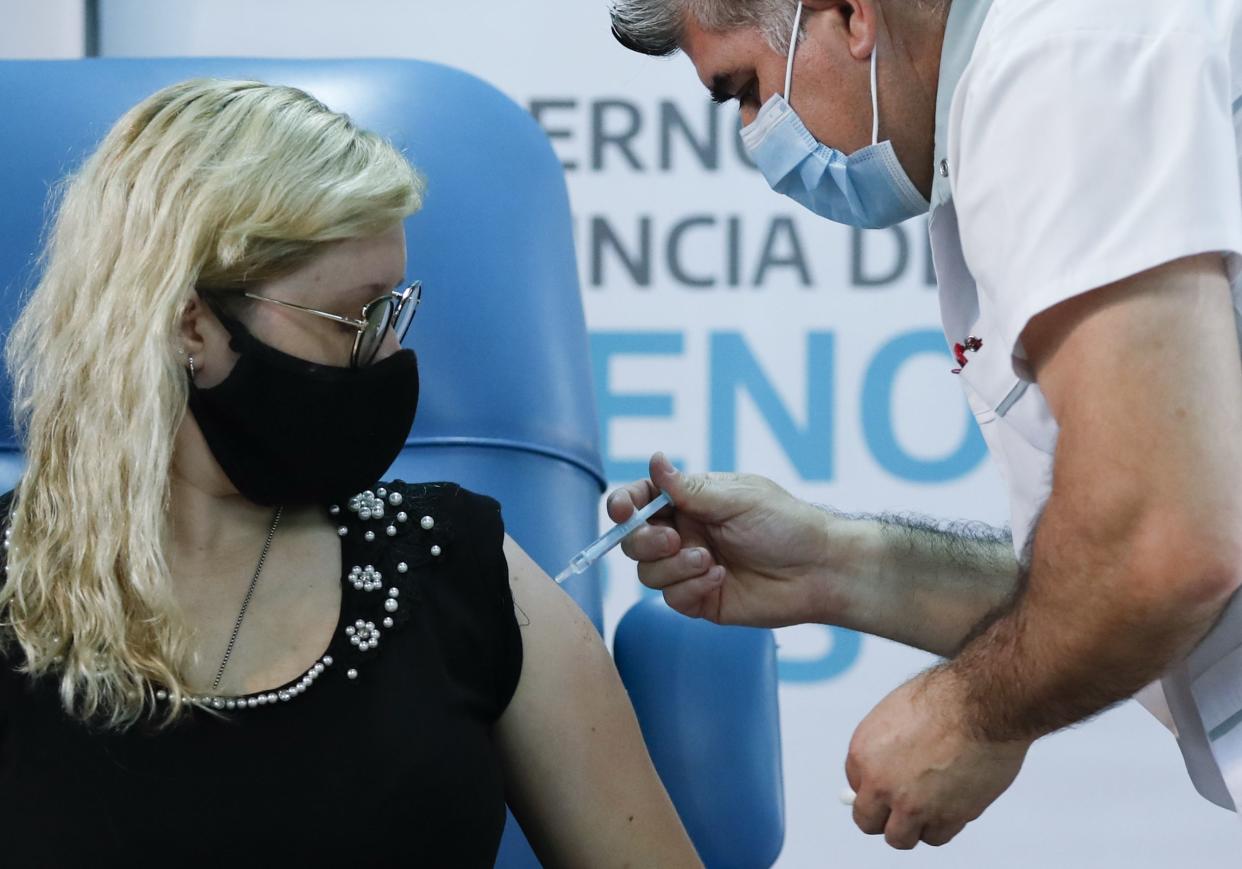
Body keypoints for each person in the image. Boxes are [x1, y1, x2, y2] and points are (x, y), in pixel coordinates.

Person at [0, 78, 701, 868]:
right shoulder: (10, 585)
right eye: (355, 318)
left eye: (393, 311)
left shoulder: (454, 566)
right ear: (191, 324)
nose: (391, 356)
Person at [606, 0, 1242, 851]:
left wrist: (971, 709)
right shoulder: (1006, 107)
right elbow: (1110, 566)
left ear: (846, 13)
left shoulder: (1059, 61)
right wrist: (836, 560)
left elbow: (1164, 541)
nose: (758, 137)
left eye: (746, 90)